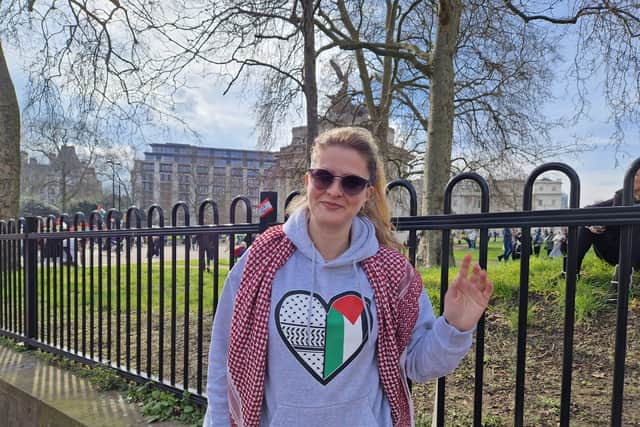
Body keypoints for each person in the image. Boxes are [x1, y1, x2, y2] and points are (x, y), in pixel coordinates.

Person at [204, 127, 493, 427]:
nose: (334, 190)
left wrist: (456, 326)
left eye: (352, 183)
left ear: (367, 192)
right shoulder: (262, 259)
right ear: (308, 181)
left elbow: (419, 364)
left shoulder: (390, 271)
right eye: (323, 177)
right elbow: (223, 362)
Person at [576, 172, 640, 275]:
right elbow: (590, 209)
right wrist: (593, 225)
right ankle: (571, 272)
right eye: (631, 174)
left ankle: (624, 275)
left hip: (637, 254)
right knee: (586, 228)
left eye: (636, 175)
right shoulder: (621, 196)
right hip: (616, 250)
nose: (632, 178)